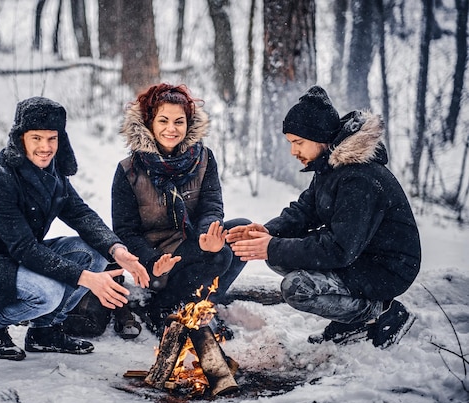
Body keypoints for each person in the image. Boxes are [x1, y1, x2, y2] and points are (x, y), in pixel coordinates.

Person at [0, 97, 150, 361]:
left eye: (51, 139)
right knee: (48, 293)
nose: (45, 147)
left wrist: (117, 249)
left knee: (95, 254)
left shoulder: (53, 173)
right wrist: (87, 279)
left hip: (19, 258)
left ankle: (45, 331)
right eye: (36, 138)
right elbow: (24, 247)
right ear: (20, 138)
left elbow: (80, 213)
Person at [227, 86, 421, 349]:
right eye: (291, 143)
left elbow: (339, 249)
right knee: (278, 257)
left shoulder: (358, 177)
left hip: (385, 269)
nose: (293, 151)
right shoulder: (330, 167)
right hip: (359, 257)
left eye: (298, 143)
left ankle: (383, 311)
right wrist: (268, 232)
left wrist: (271, 246)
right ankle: (352, 318)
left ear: (319, 139)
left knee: (297, 288)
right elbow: (305, 211)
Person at [112, 83, 250, 339]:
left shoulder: (204, 158)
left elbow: (211, 204)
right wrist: (152, 260)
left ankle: (201, 307)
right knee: (221, 258)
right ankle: (162, 308)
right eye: (163, 120)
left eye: (179, 121)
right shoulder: (129, 170)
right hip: (155, 260)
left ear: (188, 124)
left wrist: (207, 234)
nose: (171, 129)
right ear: (149, 122)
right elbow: (124, 230)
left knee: (241, 233)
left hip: (190, 241)